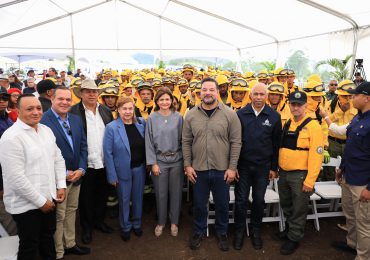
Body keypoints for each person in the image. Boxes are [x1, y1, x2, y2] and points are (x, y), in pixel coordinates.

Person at [0, 94, 67, 260]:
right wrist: (41, 202)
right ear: (17, 110)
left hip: (49, 198)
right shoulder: (11, 137)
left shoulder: (46, 131)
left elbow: (58, 158)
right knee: (29, 246)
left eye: (38, 108)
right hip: (26, 205)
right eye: (29, 109)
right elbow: (16, 178)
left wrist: (61, 185)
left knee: (47, 239)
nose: (36, 112)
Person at [182, 77, 242, 251]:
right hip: (198, 169)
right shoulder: (191, 115)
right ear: (199, 93)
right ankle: (199, 231)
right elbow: (186, 141)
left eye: (211, 90)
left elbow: (236, 142)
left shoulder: (230, 114)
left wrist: (232, 168)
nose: (207, 93)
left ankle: (222, 232)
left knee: (222, 204)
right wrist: (187, 165)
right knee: (199, 204)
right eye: (204, 90)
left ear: (218, 92)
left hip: (222, 169)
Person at [41, 86, 90, 259]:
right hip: (57, 180)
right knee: (59, 216)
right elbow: (43, 154)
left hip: (77, 176)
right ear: (52, 99)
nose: (65, 102)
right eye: (60, 99)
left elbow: (84, 146)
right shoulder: (42, 121)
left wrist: (81, 169)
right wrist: (64, 173)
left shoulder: (76, 120)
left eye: (68, 99)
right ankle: (59, 252)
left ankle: (70, 244)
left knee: (71, 211)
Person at [234, 83, 282, 250]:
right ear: (250, 96)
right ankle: (239, 232)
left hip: (263, 167)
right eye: (256, 94)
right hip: (243, 166)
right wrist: (234, 166)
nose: (259, 97)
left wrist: (273, 168)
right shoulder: (240, 114)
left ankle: (255, 231)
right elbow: (234, 142)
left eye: (262, 94)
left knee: (259, 201)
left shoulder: (274, 116)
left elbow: (276, 144)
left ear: (266, 96)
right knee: (240, 201)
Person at [277, 90, 324, 255]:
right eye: (293, 104)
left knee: (298, 208)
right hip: (284, 174)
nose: (295, 107)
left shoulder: (313, 126)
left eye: (299, 105)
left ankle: (294, 238)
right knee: (287, 204)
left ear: (305, 106)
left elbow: (316, 156)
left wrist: (310, 181)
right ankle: (290, 230)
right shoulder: (288, 123)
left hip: (300, 176)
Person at [70, 79, 114, 244]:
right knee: (86, 197)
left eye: (94, 91)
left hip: (104, 161)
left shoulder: (105, 111)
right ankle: (86, 227)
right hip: (85, 163)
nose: (91, 94)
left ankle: (99, 221)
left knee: (102, 194)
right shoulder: (73, 112)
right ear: (81, 94)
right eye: (87, 91)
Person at [332, 82, 370, 259]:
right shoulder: (358, 118)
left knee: (364, 223)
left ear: (367, 98)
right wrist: (341, 169)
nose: (351, 98)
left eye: (355, 95)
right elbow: (351, 146)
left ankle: (363, 257)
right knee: (351, 216)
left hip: (362, 181)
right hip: (349, 174)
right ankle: (352, 245)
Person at [104, 97, 146, 242]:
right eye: (124, 109)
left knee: (138, 198)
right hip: (121, 171)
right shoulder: (111, 127)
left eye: (130, 108)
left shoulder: (141, 124)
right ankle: (125, 226)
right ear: (118, 110)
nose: (128, 112)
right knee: (124, 200)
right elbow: (107, 153)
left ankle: (137, 223)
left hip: (139, 168)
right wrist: (112, 176)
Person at [146, 87, 184, 237]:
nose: (164, 102)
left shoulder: (179, 117)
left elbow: (184, 140)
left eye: (167, 99)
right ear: (157, 101)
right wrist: (153, 163)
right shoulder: (152, 118)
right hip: (160, 160)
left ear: (172, 100)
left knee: (176, 193)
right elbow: (148, 142)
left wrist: (185, 161)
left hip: (177, 160)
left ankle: (174, 222)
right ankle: (161, 222)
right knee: (161, 193)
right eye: (161, 99)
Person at [323, 79, 357, 181]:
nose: (347, 99)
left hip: (350, 143)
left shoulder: (357, 106)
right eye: (344, 96)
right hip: (333, 143)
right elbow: (324, 122)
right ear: (338, 95)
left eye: (350, 96)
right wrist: (340, 111)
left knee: (349, 171)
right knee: (329, 171)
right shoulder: (330, 104)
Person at [0, 88, 17, 236]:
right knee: (7, 223)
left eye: (5, 98)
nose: (2, 101)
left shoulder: (8, 117)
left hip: (10, 174)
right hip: (2, 179)